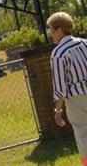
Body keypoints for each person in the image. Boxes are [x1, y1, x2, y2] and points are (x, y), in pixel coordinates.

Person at [48, 12, 87, 165]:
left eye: (51, 29)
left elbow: (60, 86)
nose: (50, 34)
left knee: (83, 135)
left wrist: (58, 111)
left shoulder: (58, 53)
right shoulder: (85, 43)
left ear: (59, 29)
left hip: (77, 100)